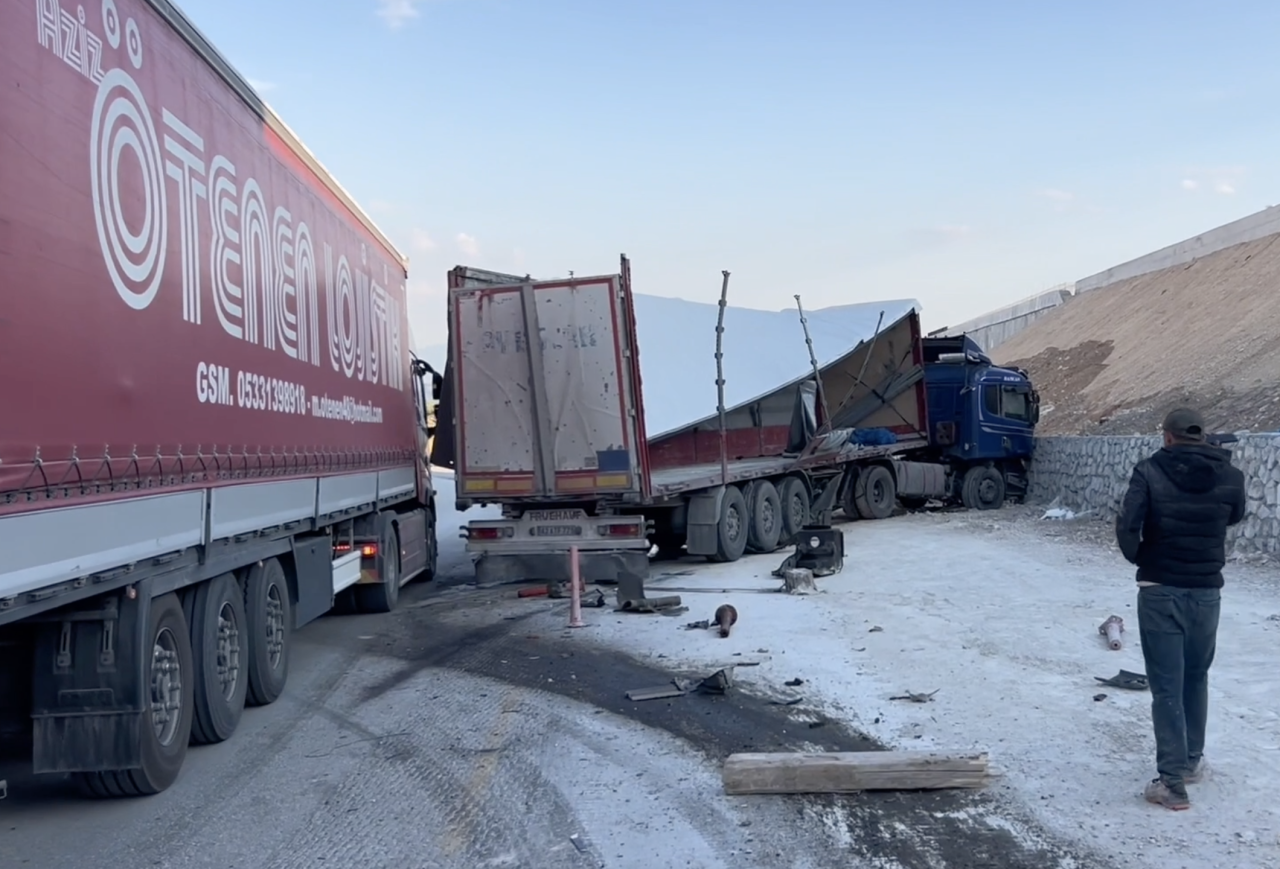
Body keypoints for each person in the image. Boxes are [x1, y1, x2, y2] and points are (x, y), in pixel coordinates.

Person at [1115, 407, 1246, 811]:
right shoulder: (1231, 475)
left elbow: (1127, 525)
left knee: (1166, 685)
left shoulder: (1149, 471)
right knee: (1196, 676)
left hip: (1159, 590)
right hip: (1207, 591)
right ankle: (1190, 762)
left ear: (1167, 436)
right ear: (1202, 435)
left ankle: (1171, 783)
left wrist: (1143, 559)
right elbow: (1235, 515)